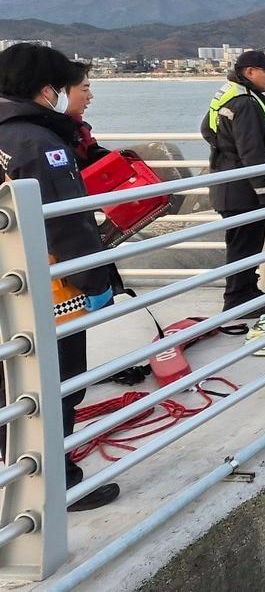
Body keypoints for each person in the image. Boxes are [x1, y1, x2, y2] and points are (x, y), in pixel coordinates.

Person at [0, 43, 120, 510]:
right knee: (59, 378)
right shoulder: (38, 142)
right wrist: (96, 282)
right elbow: (67, 222)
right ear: (47, 88)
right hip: (48, 285)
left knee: (13, 379)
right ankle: (56, 481)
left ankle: (20, 468)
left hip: (9, 280)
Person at [200, 50, 265, 318]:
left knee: (243, 243)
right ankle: (236, 299)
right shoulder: (245, 103)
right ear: (250, 72)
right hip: (243, 188)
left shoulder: (228, 94)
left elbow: (206, 129)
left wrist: (224, 149)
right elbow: (252, 152)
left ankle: (248, 292)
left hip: (228, 181)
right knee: (244, 244)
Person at [66, 66, 112, 168]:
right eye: (85, 89)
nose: (90, 96)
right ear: (61, 91)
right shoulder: (51, 136)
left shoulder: (79, 130)